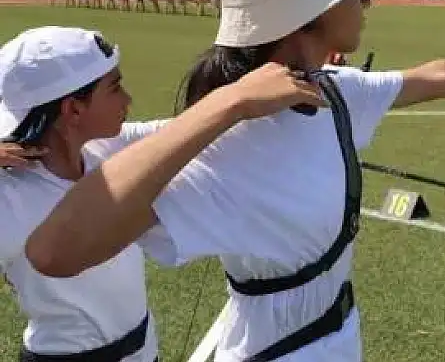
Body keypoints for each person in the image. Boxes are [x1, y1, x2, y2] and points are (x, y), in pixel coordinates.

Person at [24, 0, 445, 361]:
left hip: (336, 336)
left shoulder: (335, 90)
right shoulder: (221, 145)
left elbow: (425, 78)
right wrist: (226, 106)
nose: (367, 0)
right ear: (313, 10)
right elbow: (54, 251)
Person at [0, 25, 324, 362]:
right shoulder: (9, 195)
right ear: (73, 111)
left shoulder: (106, 150)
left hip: (142, 350)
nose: (127, 100)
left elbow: (180, 132)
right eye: (115, 88)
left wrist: (252, 92)